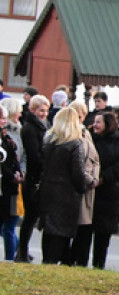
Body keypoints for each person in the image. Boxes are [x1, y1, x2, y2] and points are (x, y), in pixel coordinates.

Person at [37, 106, 93, 264]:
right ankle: (54, 262)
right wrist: (84, 186)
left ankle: (47, 261)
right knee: (61, 233)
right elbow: (77, 172)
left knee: (48, 230)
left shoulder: (49, 140)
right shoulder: (74, 144)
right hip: (67, 193)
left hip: (48, 189)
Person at [86, 112, 119, 268]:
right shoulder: (89, 140)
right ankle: (79, 263)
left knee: (103, 236)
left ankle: (99, 265)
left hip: (109, 193)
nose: (95, 125)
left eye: (99, 122)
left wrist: (103, 178)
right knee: (84, 234)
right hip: (89, 191)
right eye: (95, 122)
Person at [16, 93, 50, 262]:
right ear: (33, 110)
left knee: (31, 217)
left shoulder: (42, 126)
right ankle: (21, 252)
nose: (44, 114)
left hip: (38, 176)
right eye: (41, 110)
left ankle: (22, 251)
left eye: (46, 110)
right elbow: (34, 155)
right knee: (30, 218)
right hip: (34, 178)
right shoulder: (30, 128)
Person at [68, 100, 101, 267]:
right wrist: (89, 178)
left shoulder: (85, 132)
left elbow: (94, 158)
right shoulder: (72, 133)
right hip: (79, 183)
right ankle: (69, 258)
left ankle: (76, 258)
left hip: (89, 182)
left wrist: (94, 176)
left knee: (83, 225)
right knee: (75, 224)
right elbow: (78, 161)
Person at [0, 104, 24, 261]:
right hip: (5, 185)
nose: (4, 121)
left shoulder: (7, 138)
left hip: (10, 188)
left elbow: (14, 159)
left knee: (9, 225)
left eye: (4, 117)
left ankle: (13, 257)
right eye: (1, 118)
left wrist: (20, 173)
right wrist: (12, 175)